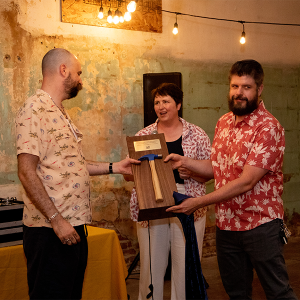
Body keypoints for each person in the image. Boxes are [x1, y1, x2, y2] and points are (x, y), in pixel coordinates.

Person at [165, 60, 298, 300]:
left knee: (278, 293)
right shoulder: (224, 122)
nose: (239, 93)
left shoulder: (268, 127)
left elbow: (247, 181)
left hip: (261, 225)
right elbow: (217, 168)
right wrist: (184, 161)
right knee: (236, 293)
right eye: (235, 86)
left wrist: (199, 201)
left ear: (260, 89)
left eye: (246, 87)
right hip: (227, 225)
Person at [15, 48, 139, 300]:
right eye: (78, 72)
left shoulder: (58, 110)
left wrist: (115, 166)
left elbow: (75, 164)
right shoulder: (34, 110)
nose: (81, 79)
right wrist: (56, 220)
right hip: (50, 230)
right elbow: (26, 171)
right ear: (63, 70)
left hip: (72, 226)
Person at [124, 83, 211, 300]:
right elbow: (129, 174)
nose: (161, 106)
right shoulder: (143, 136)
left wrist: (189, 172)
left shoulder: (197, 134)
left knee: (185, 266)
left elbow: (210, 173)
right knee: (151, 268)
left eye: (166, 101)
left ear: (178, 104)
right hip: (153, 202)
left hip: (188, 202)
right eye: (157, 102)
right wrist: (131, 170)